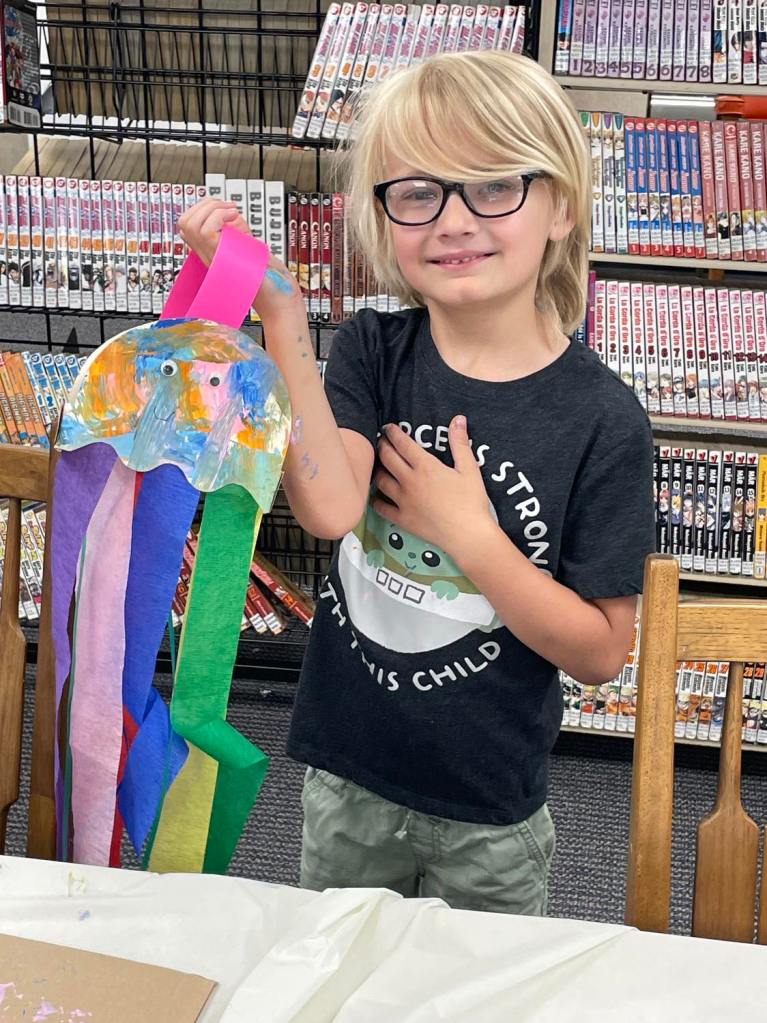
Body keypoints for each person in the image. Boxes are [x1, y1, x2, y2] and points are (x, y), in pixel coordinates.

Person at [179, 50, 655, 916]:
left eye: (493, 184)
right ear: (383, 216)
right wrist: (280, 311)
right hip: (348, 779)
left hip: (489, 810)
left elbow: (597, 653)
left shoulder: (603, 420)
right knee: (344, 971)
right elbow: (329, 508)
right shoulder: (372, 348)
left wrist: (468, 534)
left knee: (477, 983)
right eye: (416, 192)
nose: (452, 220)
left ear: (560, 205)